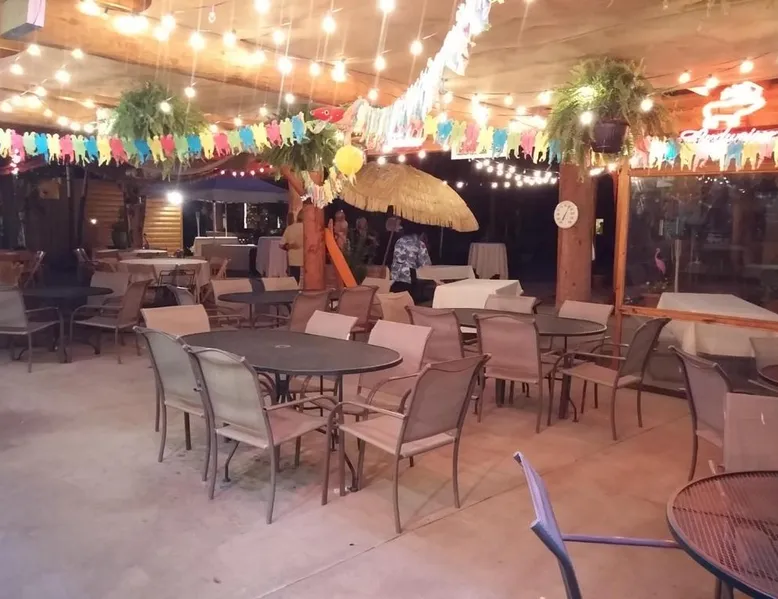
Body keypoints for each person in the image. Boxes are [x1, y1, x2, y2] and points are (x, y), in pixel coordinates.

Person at [390, 220, 431, 297]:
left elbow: (396, 259)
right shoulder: (419, 243)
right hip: (411, 276)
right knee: (409, 299)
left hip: (397, 276)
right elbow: (425, 263)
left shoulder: (399, 241)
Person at [281, 211, 304, 282]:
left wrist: (289, 246)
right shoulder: (309, 229)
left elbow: (281, 244)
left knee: (294, 280)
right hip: (308, 259)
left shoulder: (290, 228)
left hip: (294, 259)